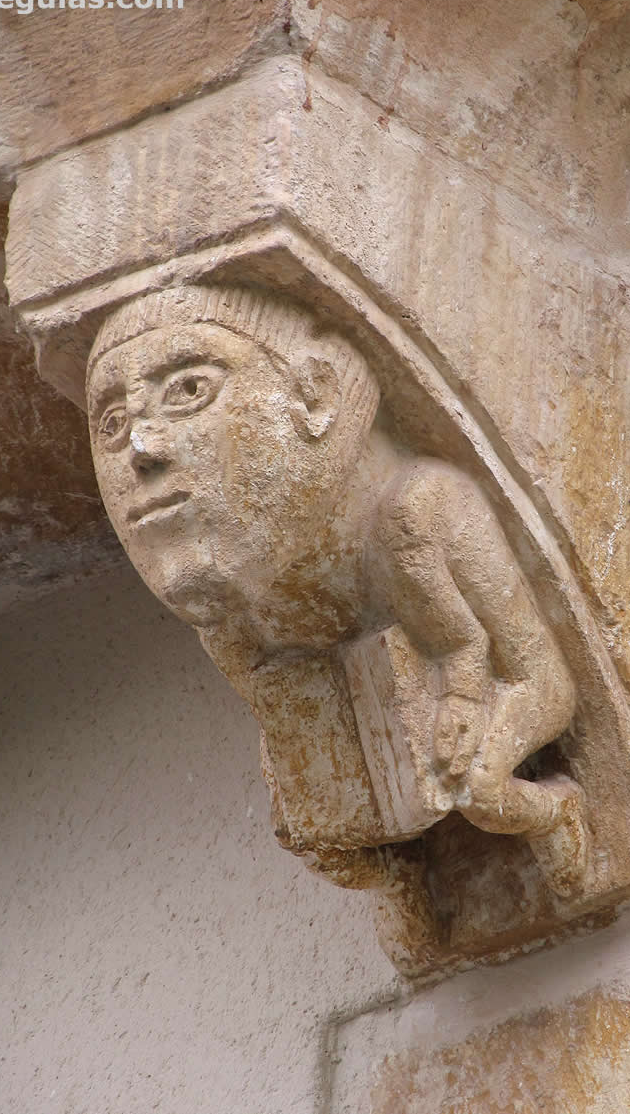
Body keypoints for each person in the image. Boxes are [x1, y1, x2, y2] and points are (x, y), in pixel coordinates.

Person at [87, 283, 586, 892]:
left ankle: (555, 811)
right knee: (315, 838)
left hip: (473, 740)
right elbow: (283, 727)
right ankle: (405, 883)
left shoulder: (419, 511)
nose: (142, 448)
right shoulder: (227, 611)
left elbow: (548, 683)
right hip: (379, 776)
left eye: (190, 390)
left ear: (315, 394)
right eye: (112, 424)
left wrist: (490, 741)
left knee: (478, 787)